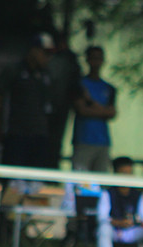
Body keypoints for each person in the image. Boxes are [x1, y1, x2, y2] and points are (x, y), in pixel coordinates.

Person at [0, 32, 55, 170]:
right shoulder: (14, 71)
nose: (48, 58)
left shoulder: (46, 75)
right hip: (17, 133)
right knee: (13, 179)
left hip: (39, 134)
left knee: (35, 180)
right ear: (34, 50)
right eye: (45, 53)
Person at [72, 45, 117, 174]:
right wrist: (103, 111)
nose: (96, 62)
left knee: (101, 180)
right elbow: (82, 110)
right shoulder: (80, 84)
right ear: (87, 60)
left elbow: (112, 112)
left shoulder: (108, 88)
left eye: (99, 58)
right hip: (83, 139)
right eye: (93, 58)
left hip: (102, 141)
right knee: (80, 181)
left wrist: (90, 102)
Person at [46, 31, 82, 169]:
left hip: (61, 108)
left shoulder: (69, 60)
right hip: (47, 109)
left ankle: (52, 168)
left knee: (55, 142)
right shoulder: (49, 58)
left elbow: (75, 85)